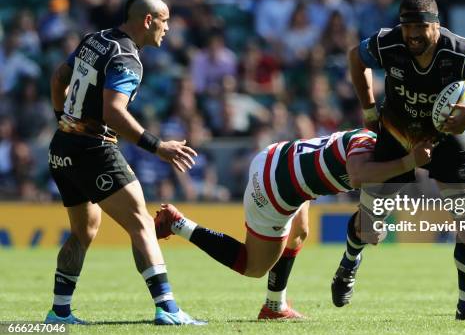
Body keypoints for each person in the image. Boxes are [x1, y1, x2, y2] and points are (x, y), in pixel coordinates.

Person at [331, 0, 465, 320]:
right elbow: (354, 58)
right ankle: (350, 261)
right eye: (408, 29)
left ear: (437, 26)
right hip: (396, 132)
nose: (414, 37)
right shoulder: (387, 43)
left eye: (421, 30)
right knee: (369, 224)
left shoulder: (460, 51)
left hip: (445, 135)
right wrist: (369, 110)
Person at [45, 0, 205, 325]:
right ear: (148, 20)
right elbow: (113, 113)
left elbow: (58, 78)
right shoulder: (127, 58)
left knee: (83, 230)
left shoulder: (95, 40)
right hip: (94, 150)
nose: (168, 28)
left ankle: (59, 313)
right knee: (141, 223)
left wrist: (65, 120)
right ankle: (168, 309)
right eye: (165, 21)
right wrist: (157, 146)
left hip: (62, 147)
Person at [154, 129, 433, 319]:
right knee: (253, 266)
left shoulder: (373, 140)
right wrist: (410, 162)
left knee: (299, 233)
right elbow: (359, 177)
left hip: (277, 157)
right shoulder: (373, 148)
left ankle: (275, 306)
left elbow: (366, 217)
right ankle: (177, 224)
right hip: (273, 187)